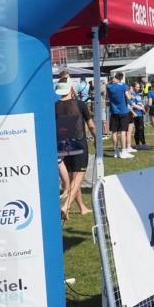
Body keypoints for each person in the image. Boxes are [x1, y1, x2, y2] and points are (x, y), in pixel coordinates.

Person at [55, 81, 95, 219]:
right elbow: (91, 125)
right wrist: (97, 138)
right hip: (78, 144)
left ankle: (81, 208)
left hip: (62, 145)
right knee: (78, 177)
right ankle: (66, 205)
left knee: (72, 177)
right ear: (71, 89)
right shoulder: (80, 104)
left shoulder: (54, 106)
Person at [106, 72, 134, 159]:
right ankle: (124, 151)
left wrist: (112, 80)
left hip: (114, 112)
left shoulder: (109, 86)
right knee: (123, 131)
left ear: (115, 77)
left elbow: (107, 83)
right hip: (123, 111)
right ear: (121, 78)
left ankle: (116, 151)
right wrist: (132, 96)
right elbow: (128, 97)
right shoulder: (123, 86)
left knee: (114, 132)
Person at [129, 82, 147, 148]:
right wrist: (141, 108)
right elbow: (133, 105)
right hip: (136, 114)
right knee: (138, 129)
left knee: (141, 129)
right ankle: (138, 143)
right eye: (137, 87)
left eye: (139, 87)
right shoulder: (132, 95)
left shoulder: (138, 94)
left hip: (140, 113)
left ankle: (143, 143)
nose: (138, 88)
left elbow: (140, 103)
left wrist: (143, 108)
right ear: (133, 87)